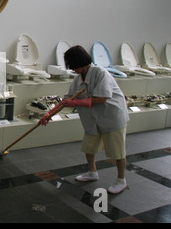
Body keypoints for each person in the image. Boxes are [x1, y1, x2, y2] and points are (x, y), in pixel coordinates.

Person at [40, 45, 129, 194]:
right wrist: (48, 115)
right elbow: (66, 100)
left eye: (73, 65)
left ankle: (121, 180)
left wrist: (75, 103)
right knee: (90, 146)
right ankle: (92, 173)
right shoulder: (78, 79)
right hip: (93, 119)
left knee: (117, 151)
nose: (72, 69)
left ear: (79, 62)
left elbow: (101, 99)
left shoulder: (100, 73)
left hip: (111, 117)